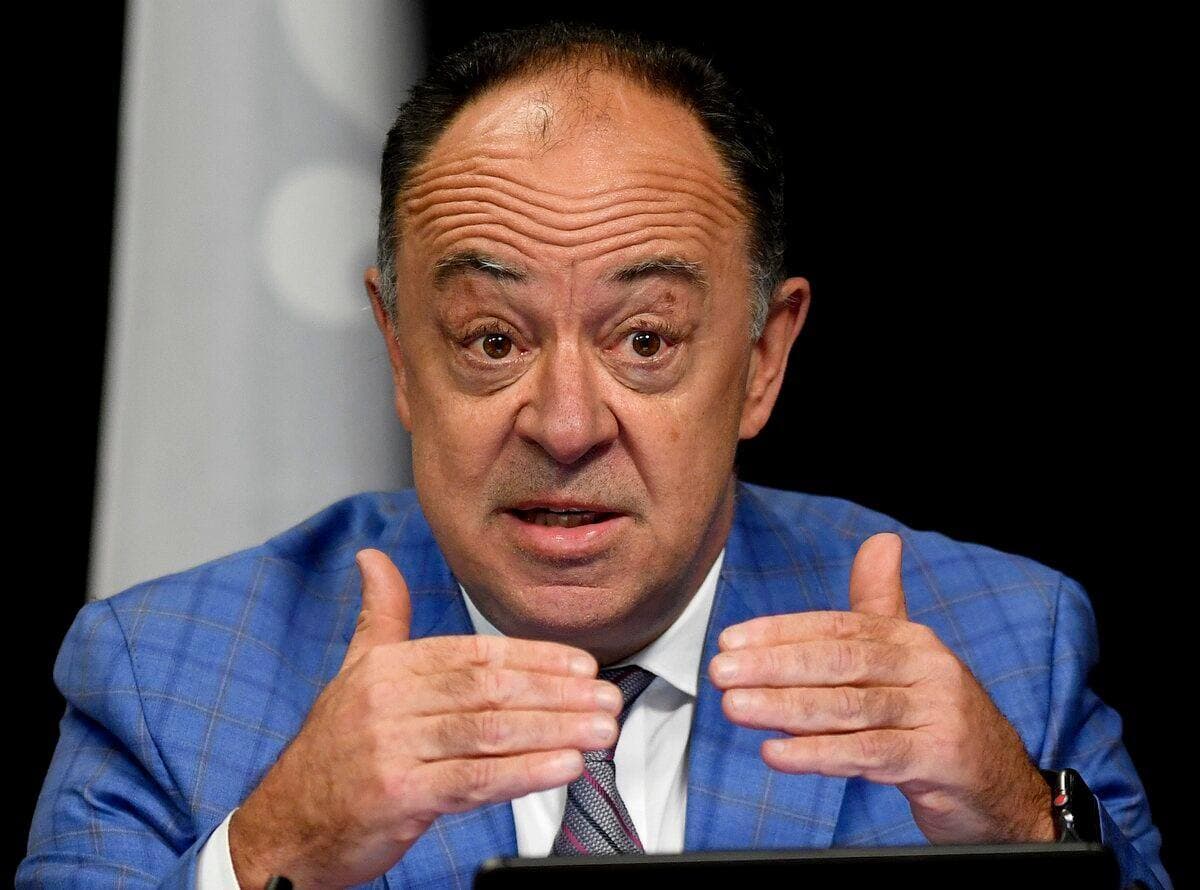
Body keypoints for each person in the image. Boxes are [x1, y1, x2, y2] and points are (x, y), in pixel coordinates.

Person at [18, 22, 1169, 890]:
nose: (566, 425)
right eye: (491, 339)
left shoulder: (1008, 648)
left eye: (645, 340)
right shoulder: (167, 677)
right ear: (400, 353)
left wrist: (1023, 821)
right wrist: (282, 843)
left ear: (763, 359)